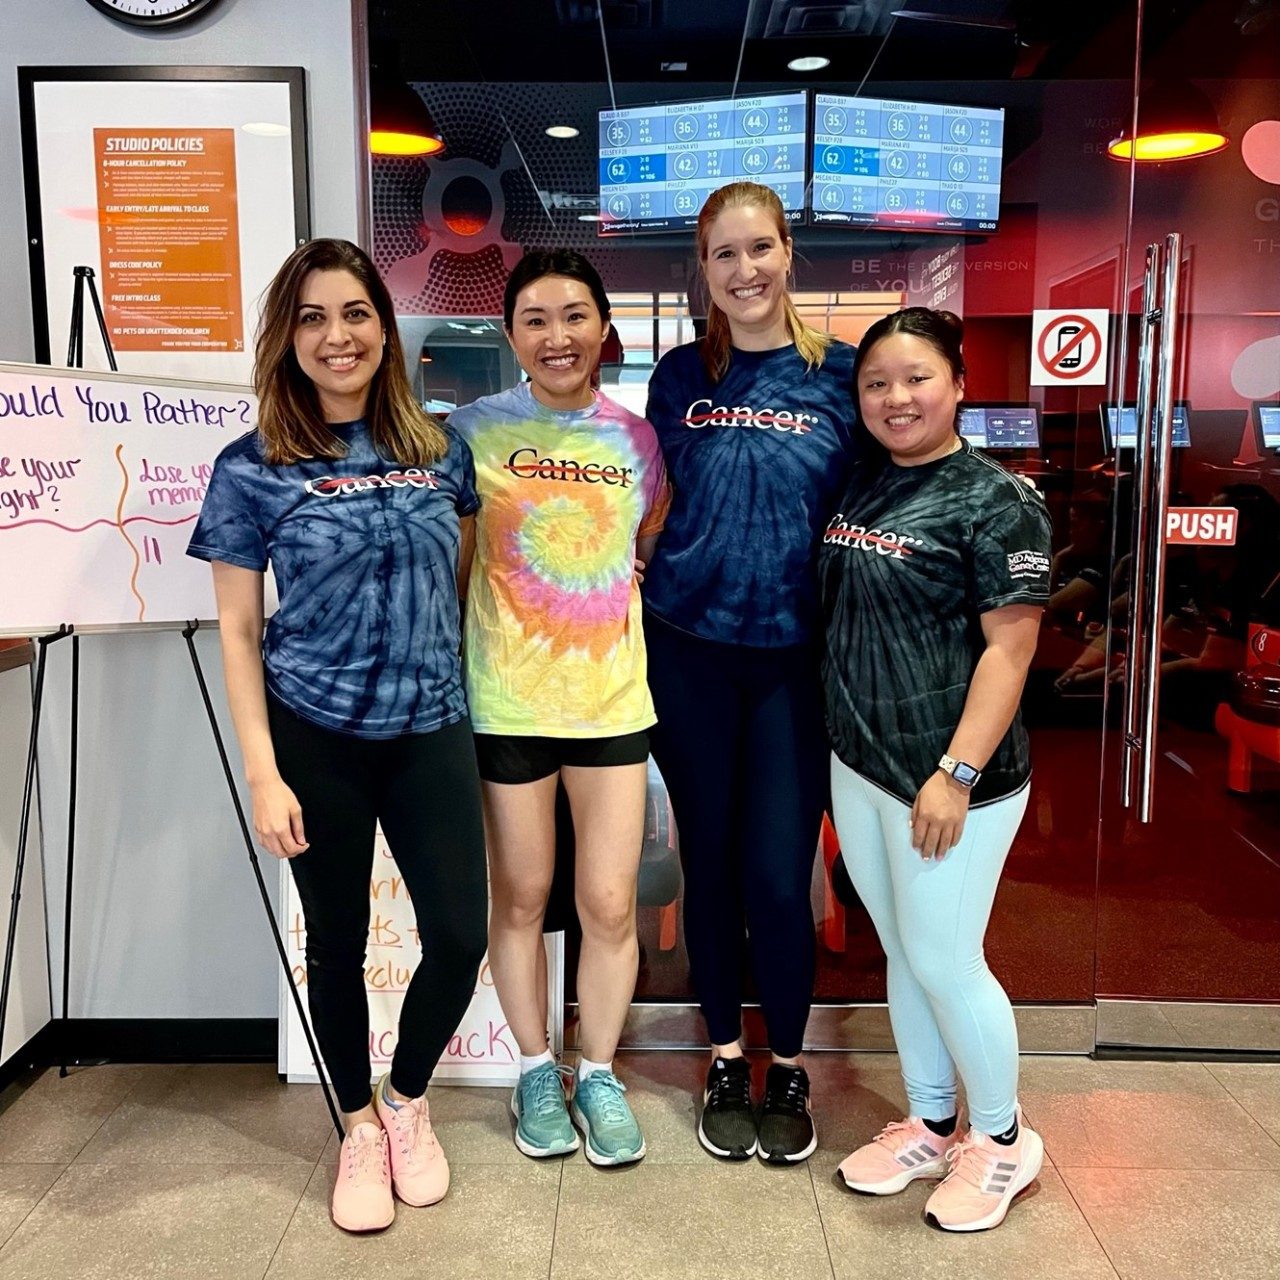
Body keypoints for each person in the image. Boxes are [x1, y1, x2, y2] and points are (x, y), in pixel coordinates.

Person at [187, 239, 488, 1233]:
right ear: (288, 335)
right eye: (312, 317)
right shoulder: (253, 465)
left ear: (382, 326)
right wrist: (263, 771)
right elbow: (236, 628)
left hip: (430, 724)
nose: (336, 334)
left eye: (353, 312)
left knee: (458, 932)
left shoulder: (442, 450)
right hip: (313, 733)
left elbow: (456, 580)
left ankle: (406, 1098)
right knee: (338, 946)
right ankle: (355, 1124)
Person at [820, 306, 1050, 1232]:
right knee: (907, 951)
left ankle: (1001, 1142)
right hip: (864, 765)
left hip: (953, 780)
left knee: (950, 958)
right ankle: (932, 1118)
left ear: (957, 382)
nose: (895, 397)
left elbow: (1012, 650)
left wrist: (954, 772)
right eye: (877, 383)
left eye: (916, 377)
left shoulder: (999, 499)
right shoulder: (865, 483)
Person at [642, 181, 858, 1164]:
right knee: (713, 866)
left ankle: (790, 1062)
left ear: (787, 253)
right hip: (686, 648)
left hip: (790, 662)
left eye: (759, 248)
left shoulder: (840, 379)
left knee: (778, 874)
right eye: (723, 255)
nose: (744, 271)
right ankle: (725, 1053)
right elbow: (652, 496)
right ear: (704, 267)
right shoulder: (680, 373)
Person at [449, 249, 670, 1167]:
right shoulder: (469, 432)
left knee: (609, 901)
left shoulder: (638, 441)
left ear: (603, 329)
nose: (557, 336)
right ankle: (537, 1069)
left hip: (610, 702)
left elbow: (644, 544)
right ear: (511, 335)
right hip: (504, 700)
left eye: (575, 315)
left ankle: (601, 1071)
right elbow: (456, 563)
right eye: (535, 319)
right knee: (525, 897)